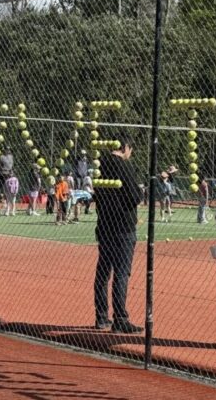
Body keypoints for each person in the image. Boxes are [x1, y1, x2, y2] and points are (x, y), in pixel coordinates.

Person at [94, 134, 143, 333]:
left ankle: (101, 316)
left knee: (103, 272)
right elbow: (134, 196)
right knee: (121, 273)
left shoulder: (100, 165)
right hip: (123, 226)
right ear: (125, 148)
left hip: (105, 224)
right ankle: (120, 319)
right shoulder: (123, 166)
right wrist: (139, 194)